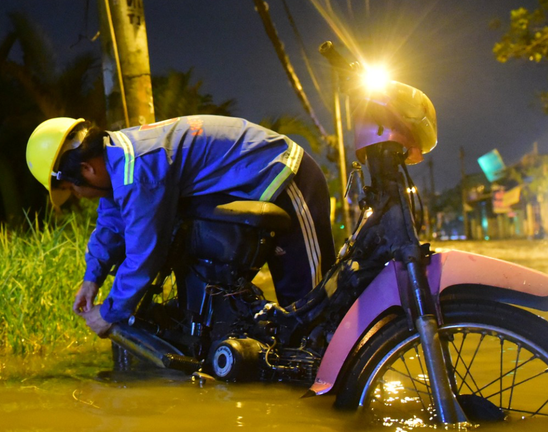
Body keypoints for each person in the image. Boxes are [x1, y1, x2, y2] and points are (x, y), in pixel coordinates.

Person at [25, 115, 335, 337]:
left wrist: (109, 314)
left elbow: (145, 252)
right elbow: (111, 221)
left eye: (75, 190)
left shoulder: (139, 170)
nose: (81, 197)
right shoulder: (119, 160)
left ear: (86, 169)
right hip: (248, 183)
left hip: (284, 172)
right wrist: (92, 279)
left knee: (310, 310)